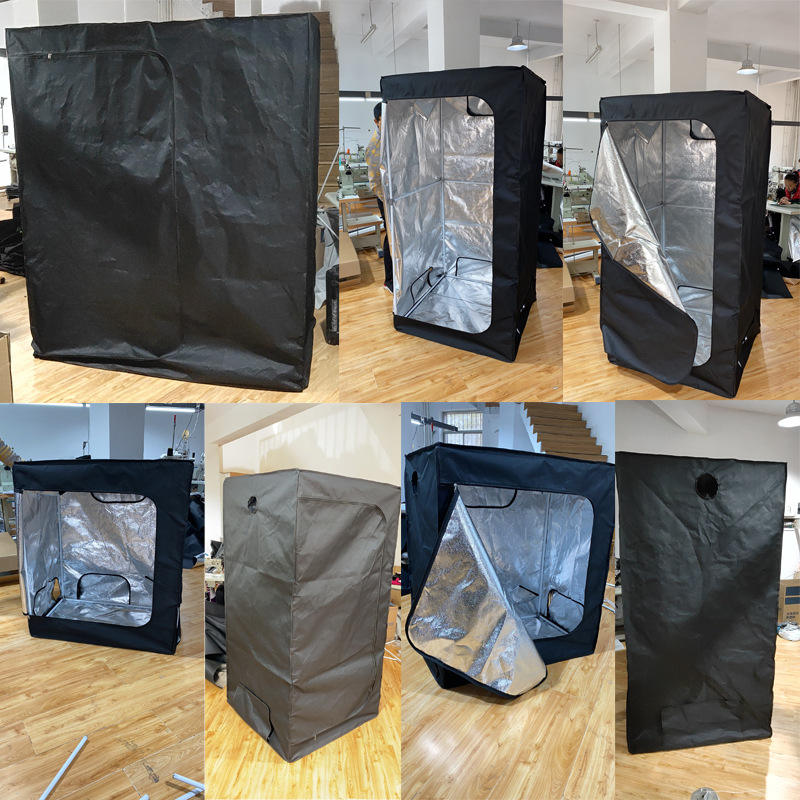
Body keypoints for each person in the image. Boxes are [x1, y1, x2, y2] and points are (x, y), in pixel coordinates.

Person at [364, 102, 393, 293]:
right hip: (387, 198)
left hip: (399, 196)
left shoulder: (393, 137)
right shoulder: (375, 146)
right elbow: (376, 181)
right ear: (376, 121)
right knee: (391, 236)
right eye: (384, 119)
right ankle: (389, 281)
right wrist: (389, 201)